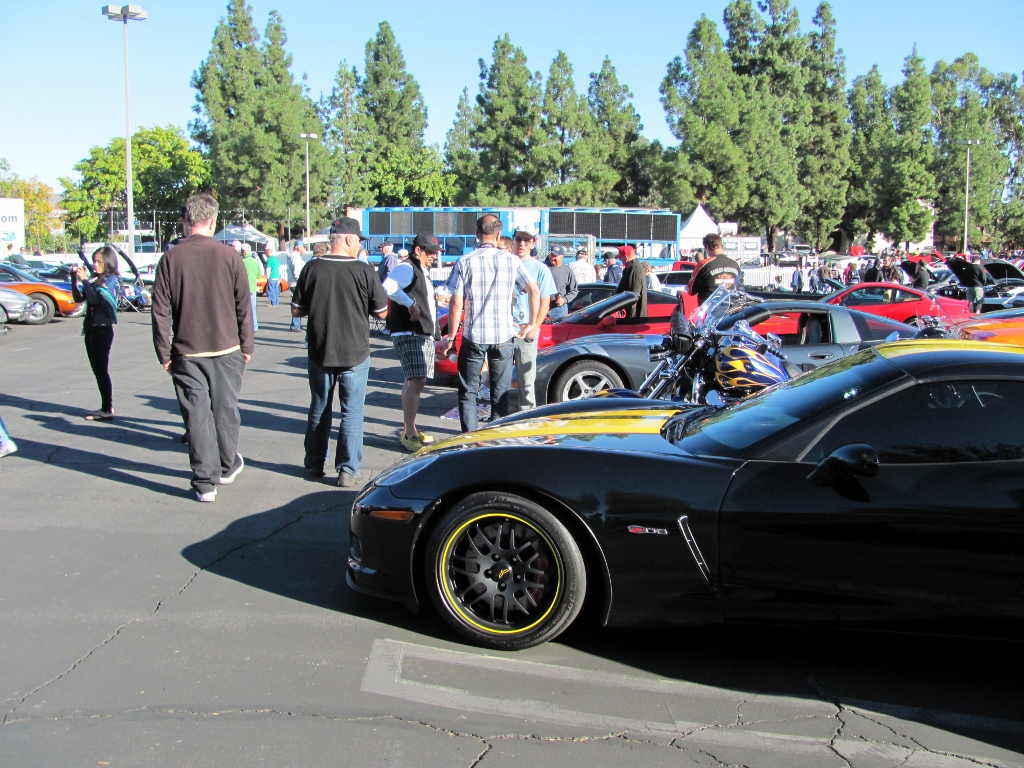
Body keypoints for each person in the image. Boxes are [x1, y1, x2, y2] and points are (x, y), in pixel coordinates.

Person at [151, 194, 252, 502]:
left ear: (186, 221)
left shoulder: (170, 258)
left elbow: (160, 310)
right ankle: (226, 465)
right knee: (225, 410)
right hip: (227, 347)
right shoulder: (229, 256)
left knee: (196, 417)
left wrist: (163, 352)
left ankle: (204, 483)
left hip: (187, 350)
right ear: (212, 221)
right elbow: (243, 304)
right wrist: (247, 343)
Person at [290, 217, 388, 486]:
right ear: (347, 239)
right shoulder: (364, 270)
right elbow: (382, 312)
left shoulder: (312, 268)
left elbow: (297, 310)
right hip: (355, 350)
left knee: (320, 406)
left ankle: (314, 461)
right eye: (358, 241)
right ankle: (347, 469)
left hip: (321, 349)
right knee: (352, 412)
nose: (359, 246)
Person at [445, 214, 540, 433]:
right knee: (500, 393)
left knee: (468, 392)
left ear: (477, 234)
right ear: (498, 235)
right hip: (503, 337)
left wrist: (451, 337)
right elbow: (534, 290)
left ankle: (469, 439)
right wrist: (531, 324)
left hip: (474, 335)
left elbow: (456, 303)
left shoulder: (465, 261)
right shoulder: (511, 261)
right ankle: (495, 439)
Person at [383, 233, 442, 452]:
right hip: (410, 332)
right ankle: (409, 432)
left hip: (419, 332)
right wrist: (410, 304)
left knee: (415, 381)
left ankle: (411, 429)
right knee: (416, 380)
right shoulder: (407, 267)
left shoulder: (419, 270)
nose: (434, 256)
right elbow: (388, 287)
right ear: (418, 250)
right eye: (430, 252)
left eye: (435, 252)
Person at [70, 246, 122, 421]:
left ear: (108, 262)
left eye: (99, 261)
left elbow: (94, 299)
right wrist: (74, 280)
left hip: (103, 329)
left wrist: (85, 280)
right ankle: (105, 406)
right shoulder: (95, 279)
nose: (95, 264)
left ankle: (107, 408)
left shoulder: (112, 280)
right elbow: (79, 298)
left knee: (101, 370)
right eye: (94, 261)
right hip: (91, 329)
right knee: (97, 370)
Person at [511, 227, 555, 412]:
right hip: (504, 331)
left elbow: (545, 304)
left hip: (526, 333)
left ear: (533, 243)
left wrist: (533, 329)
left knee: (527, 381)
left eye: (526, 240)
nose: (522, 244)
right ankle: (499, 417)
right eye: (519, 239)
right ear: (513, 240)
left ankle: (526, 417)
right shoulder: (505, 263)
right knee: (498, 379)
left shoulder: (540, 269)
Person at [687, 234, 741, 305]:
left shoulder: (703, 264)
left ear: (707, 247)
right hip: (733, 308)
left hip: (711, 309)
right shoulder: (735, 263)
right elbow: (740, 287)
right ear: (721, 246)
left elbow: (691, 291)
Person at [545, 245, 578, 321]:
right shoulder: (543, 267)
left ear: (562, 257)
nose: (552, 257)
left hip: (558, 310)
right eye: (552, 254)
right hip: (542, 307)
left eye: (555, 256)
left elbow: (574, 290)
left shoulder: (567, 270)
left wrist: (564, 300)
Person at [614, 245, 647, 318]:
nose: (620, 260)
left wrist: (630, 318)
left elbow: (634, 296)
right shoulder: (629, 268)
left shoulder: (635, 270)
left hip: (634, 317)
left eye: (620, 258)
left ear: (626, 258)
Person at [288, 242, 307, 331]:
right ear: (298, 247)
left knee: (297, 302)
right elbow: (297, 272)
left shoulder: (294, 256)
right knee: (298, 303)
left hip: (293, 283)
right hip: (296, 283)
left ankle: (296, 324)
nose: (304, 249)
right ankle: (295, 325)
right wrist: (302, 282)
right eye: (303, 247)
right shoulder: (295, 257)